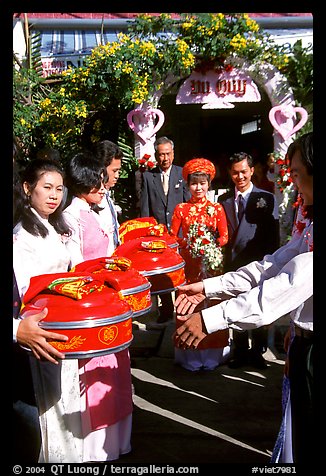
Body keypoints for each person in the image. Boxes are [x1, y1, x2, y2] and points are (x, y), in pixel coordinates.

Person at [173, 132, 313, 464]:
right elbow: (273, 265)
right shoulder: (310, 220)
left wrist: (211, 318)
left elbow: (285, 286)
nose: (291, 181)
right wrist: (209, 288)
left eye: (294, 172)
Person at [63, 151, 133, 462]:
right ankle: (94, 448)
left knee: (114, 371)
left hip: (109, 298)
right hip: (92, 302)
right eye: (99, 181)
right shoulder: (70, 216)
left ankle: (116, 441)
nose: (104, 186)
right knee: (93, 374)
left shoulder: (93, 211)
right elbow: (74, 265)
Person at [13, 158, 80, 462]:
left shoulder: (53, 226)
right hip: (36, 330)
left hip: (60, 325)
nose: (54, 195)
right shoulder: (21, 237)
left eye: (59, 189)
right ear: (28, 188)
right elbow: (24, 292)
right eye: (47, 188)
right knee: (38, 419)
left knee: (61, 410)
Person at [218, 151, 279, 369]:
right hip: (233, 265)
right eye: (235, 173)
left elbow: (272, 235)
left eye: (244, 171)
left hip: (258, 263)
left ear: (252, 171)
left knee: (258, 307)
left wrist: (272, 264)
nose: (240, 177)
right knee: (237, 307)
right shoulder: (222, 200)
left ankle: (258, 351)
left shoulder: (266, 198)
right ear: (230, 174)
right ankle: (240, 350)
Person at [170, 157, 230, 371]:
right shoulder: (181, 209)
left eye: (202, 183)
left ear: (208, 184)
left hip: (212, 266)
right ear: (188, 185)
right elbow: (172, 236)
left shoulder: (217, 208)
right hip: (189, 266)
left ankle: (212, 355)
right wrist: (189, 242)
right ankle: (190, 357)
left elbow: (225, 237)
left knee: (211, 305)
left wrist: (210, 244)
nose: (198, 188)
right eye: (194, 183)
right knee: (189, 305)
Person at [140, 136, 191, 323]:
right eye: (161, 155)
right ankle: (166, 309)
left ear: (173, 153)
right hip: (159, 235)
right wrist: (147, 232)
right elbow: (145, 208)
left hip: (180, 234)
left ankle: (181, 307)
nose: (164, 159)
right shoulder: (148, 177)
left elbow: (187, 203)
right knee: (161, 272)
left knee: (180, 272)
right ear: (156, 155)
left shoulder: (182, 174)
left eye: (168, 154)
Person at [94, 140, 123, 256]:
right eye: (114, 171)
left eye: (119, 171)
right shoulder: (93, 199)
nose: (117, 176)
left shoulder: (107, 195)